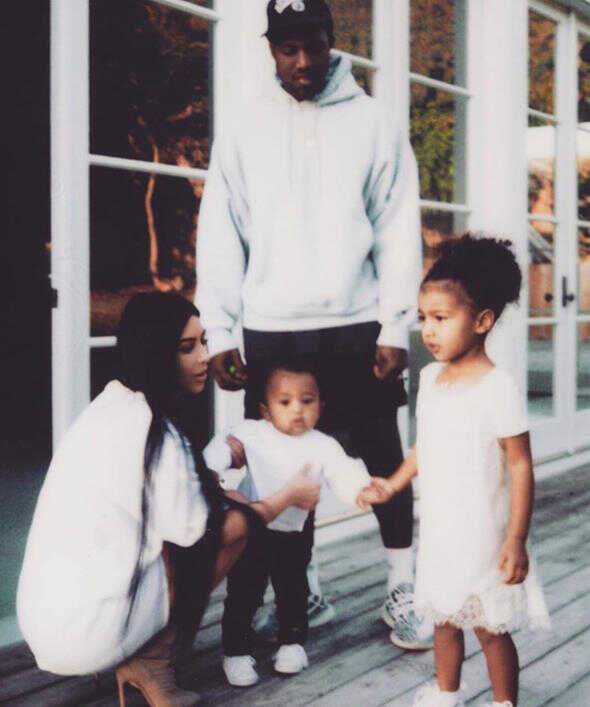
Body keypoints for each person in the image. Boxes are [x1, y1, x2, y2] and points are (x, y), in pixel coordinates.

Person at [195, 0, 430, 649]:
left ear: (332, 40)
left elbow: (396, 223)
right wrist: (221, 330)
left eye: (314, 44)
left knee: (380, 453)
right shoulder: (244, 124)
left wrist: (394, 325)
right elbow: (221, 230)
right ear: (271, 47)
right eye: (287, 47)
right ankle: (308, 591)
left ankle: (402, 587)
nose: (302, 60)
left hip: (355, 323)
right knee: (280, 468)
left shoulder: (373, 121)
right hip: (271, 327)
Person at [16, 293, 321, 707]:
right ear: (155, 351)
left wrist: (211, 481)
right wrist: (286, 497)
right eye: (186, 347)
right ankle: (152, 659)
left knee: (223, 508)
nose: (204, 357)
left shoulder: (109, 407)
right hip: (89, 632)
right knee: (237, 524)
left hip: (47, 625)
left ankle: (136, 652)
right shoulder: (152, 430)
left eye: (204, 342)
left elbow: (160, 499)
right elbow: (196, 532)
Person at [359, 236, 550, 707]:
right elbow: (426, 446)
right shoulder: (430, 379)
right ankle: (447, 693)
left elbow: (520, 464)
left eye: (441, 318)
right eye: (424, 318)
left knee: (488, 627)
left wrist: (516, 540)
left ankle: (504, 702)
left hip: (485, 533)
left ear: (482, 320)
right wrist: (393, 484)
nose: (428, 330)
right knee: (443, 617)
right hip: (442, 530)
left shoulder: (497, 387)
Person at [203, 359, 371, 685]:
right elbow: (223, 446)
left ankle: (291, 644)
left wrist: (360, 490)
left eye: (307, 401)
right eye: (285, 402)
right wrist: (217, 462)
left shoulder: (323, 445)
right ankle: (236, 651)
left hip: (295, 531)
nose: (297, 409)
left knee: (293, 588)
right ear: (266, 410)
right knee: (244, 591)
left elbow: (343, 470)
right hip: (253, 527)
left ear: (321, 405)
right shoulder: (253, 433)